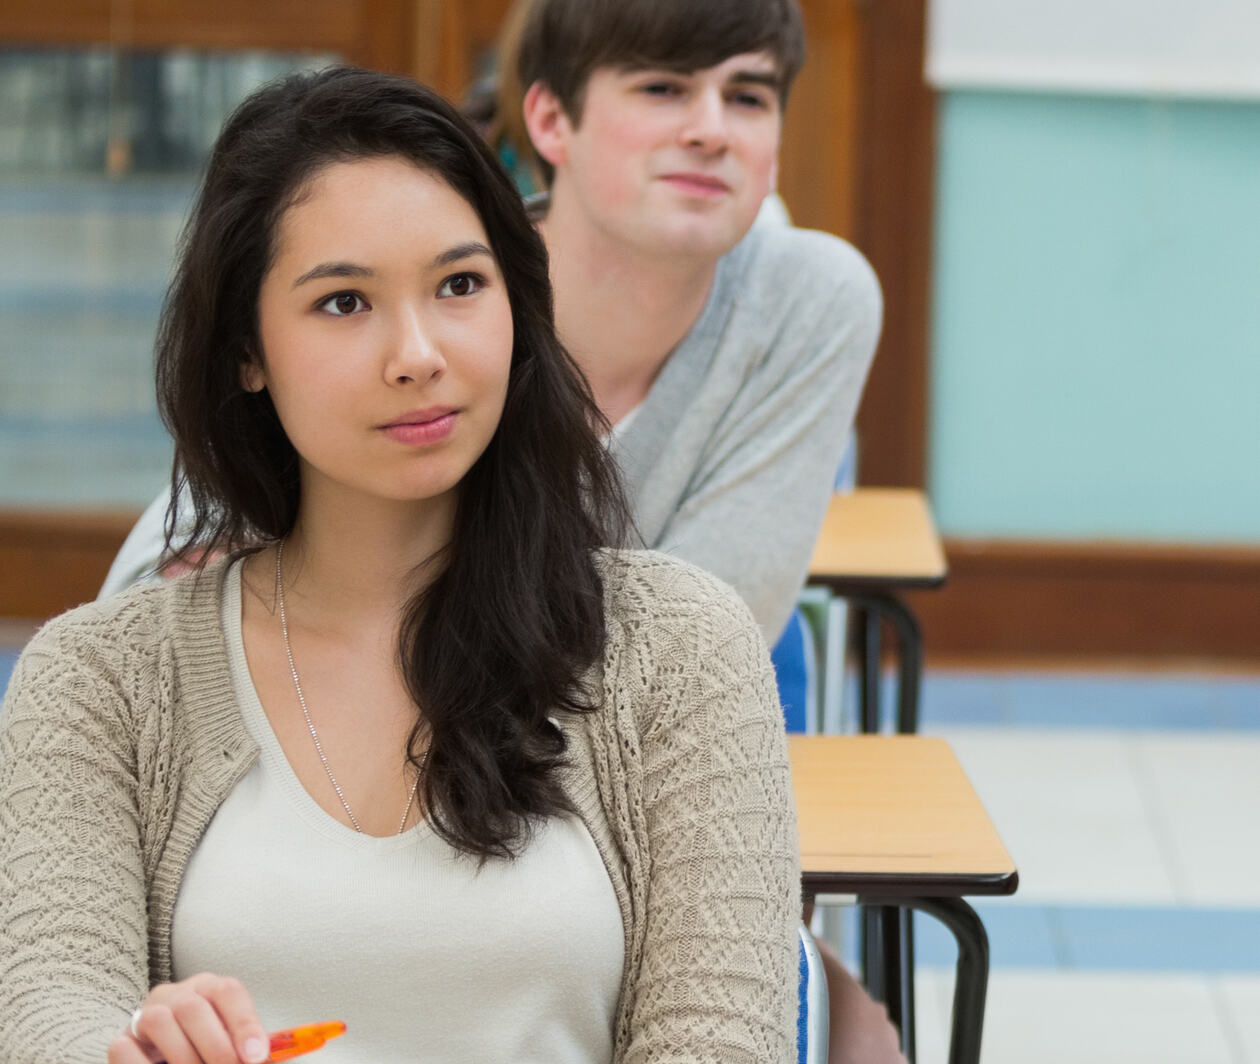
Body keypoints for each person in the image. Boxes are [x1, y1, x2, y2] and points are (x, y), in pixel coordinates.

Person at [0, 68, 801, 1064]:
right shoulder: (99, 679)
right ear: (247, 348)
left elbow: (725, 1039)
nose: (418, 352)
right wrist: (130, 1053)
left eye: (461, 285)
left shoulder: (680, 646)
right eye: (344, 302)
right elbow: (49, 1010)